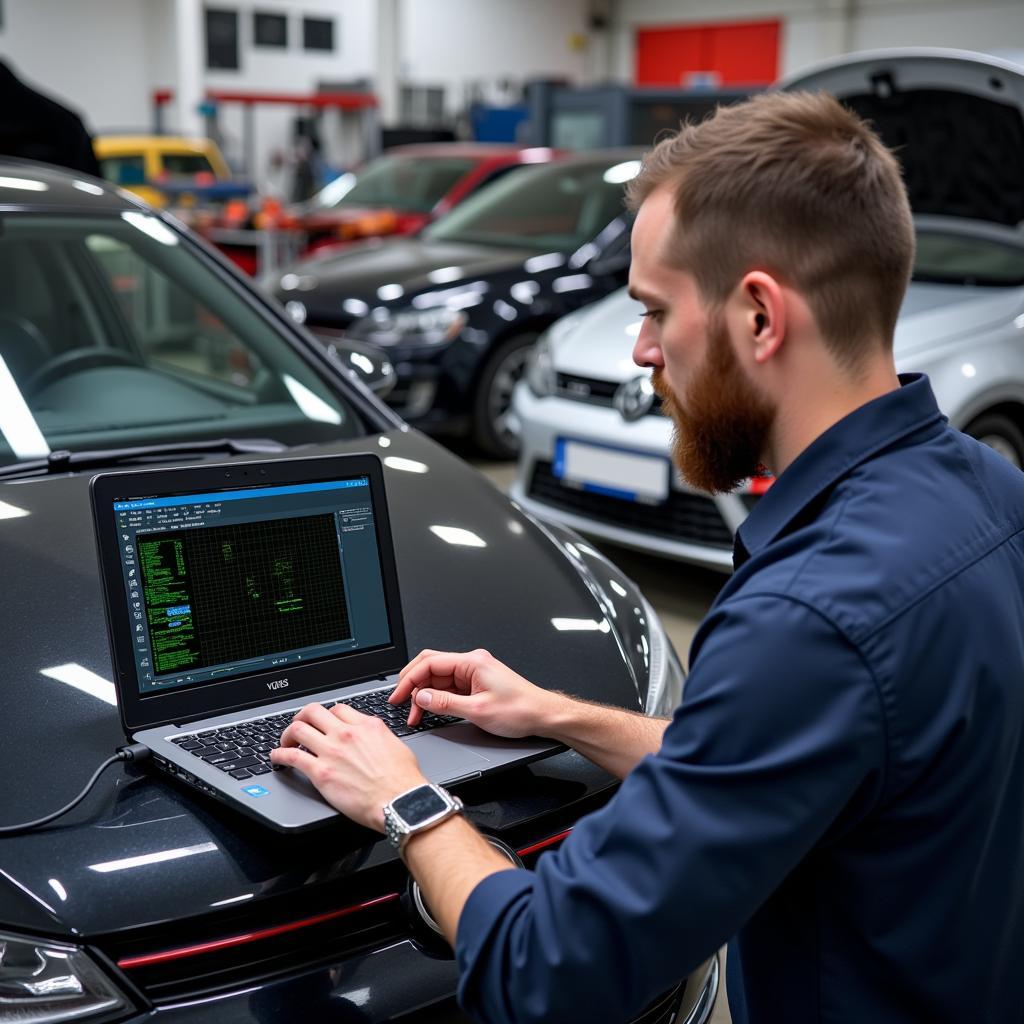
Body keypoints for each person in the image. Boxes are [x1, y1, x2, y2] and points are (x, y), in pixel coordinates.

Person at [271, 91, 1024, 1022]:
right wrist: (556, 715)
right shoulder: (993, 497)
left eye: (655, 310)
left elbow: (548, 970)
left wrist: (407, 800)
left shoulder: (812, 615)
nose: (639, 351)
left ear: (758, 316)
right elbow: (785, 753)